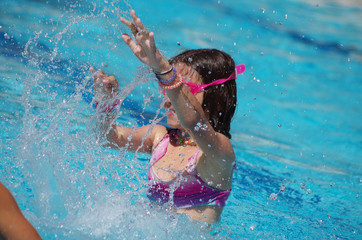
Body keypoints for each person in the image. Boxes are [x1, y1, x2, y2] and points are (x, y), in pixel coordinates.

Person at [91, 10, 245, 224]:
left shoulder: (220, 153)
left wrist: (161, 66)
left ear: (215, 98)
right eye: (166, 89)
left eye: (183, 90)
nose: (166, 100)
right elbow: (106, 138)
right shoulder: (160, 138)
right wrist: (106, 104)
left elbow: (193, 121)